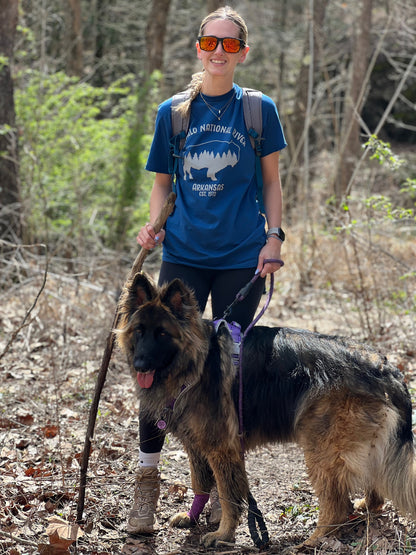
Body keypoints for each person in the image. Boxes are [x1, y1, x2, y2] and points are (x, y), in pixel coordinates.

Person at [128, 5, 287, 535]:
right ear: (198, 47)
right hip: (183, 262)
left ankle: (226, 494)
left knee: (231, 384)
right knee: (154, 374)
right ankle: (147, 486)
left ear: (243, 52)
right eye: (210, 43)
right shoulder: (173, 112)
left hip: (242, 256)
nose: (219, 53)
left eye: (231, 45)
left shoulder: (258, 110)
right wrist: (153, 225)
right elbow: (161, 185)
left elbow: (271, 183)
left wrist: (274, 237)